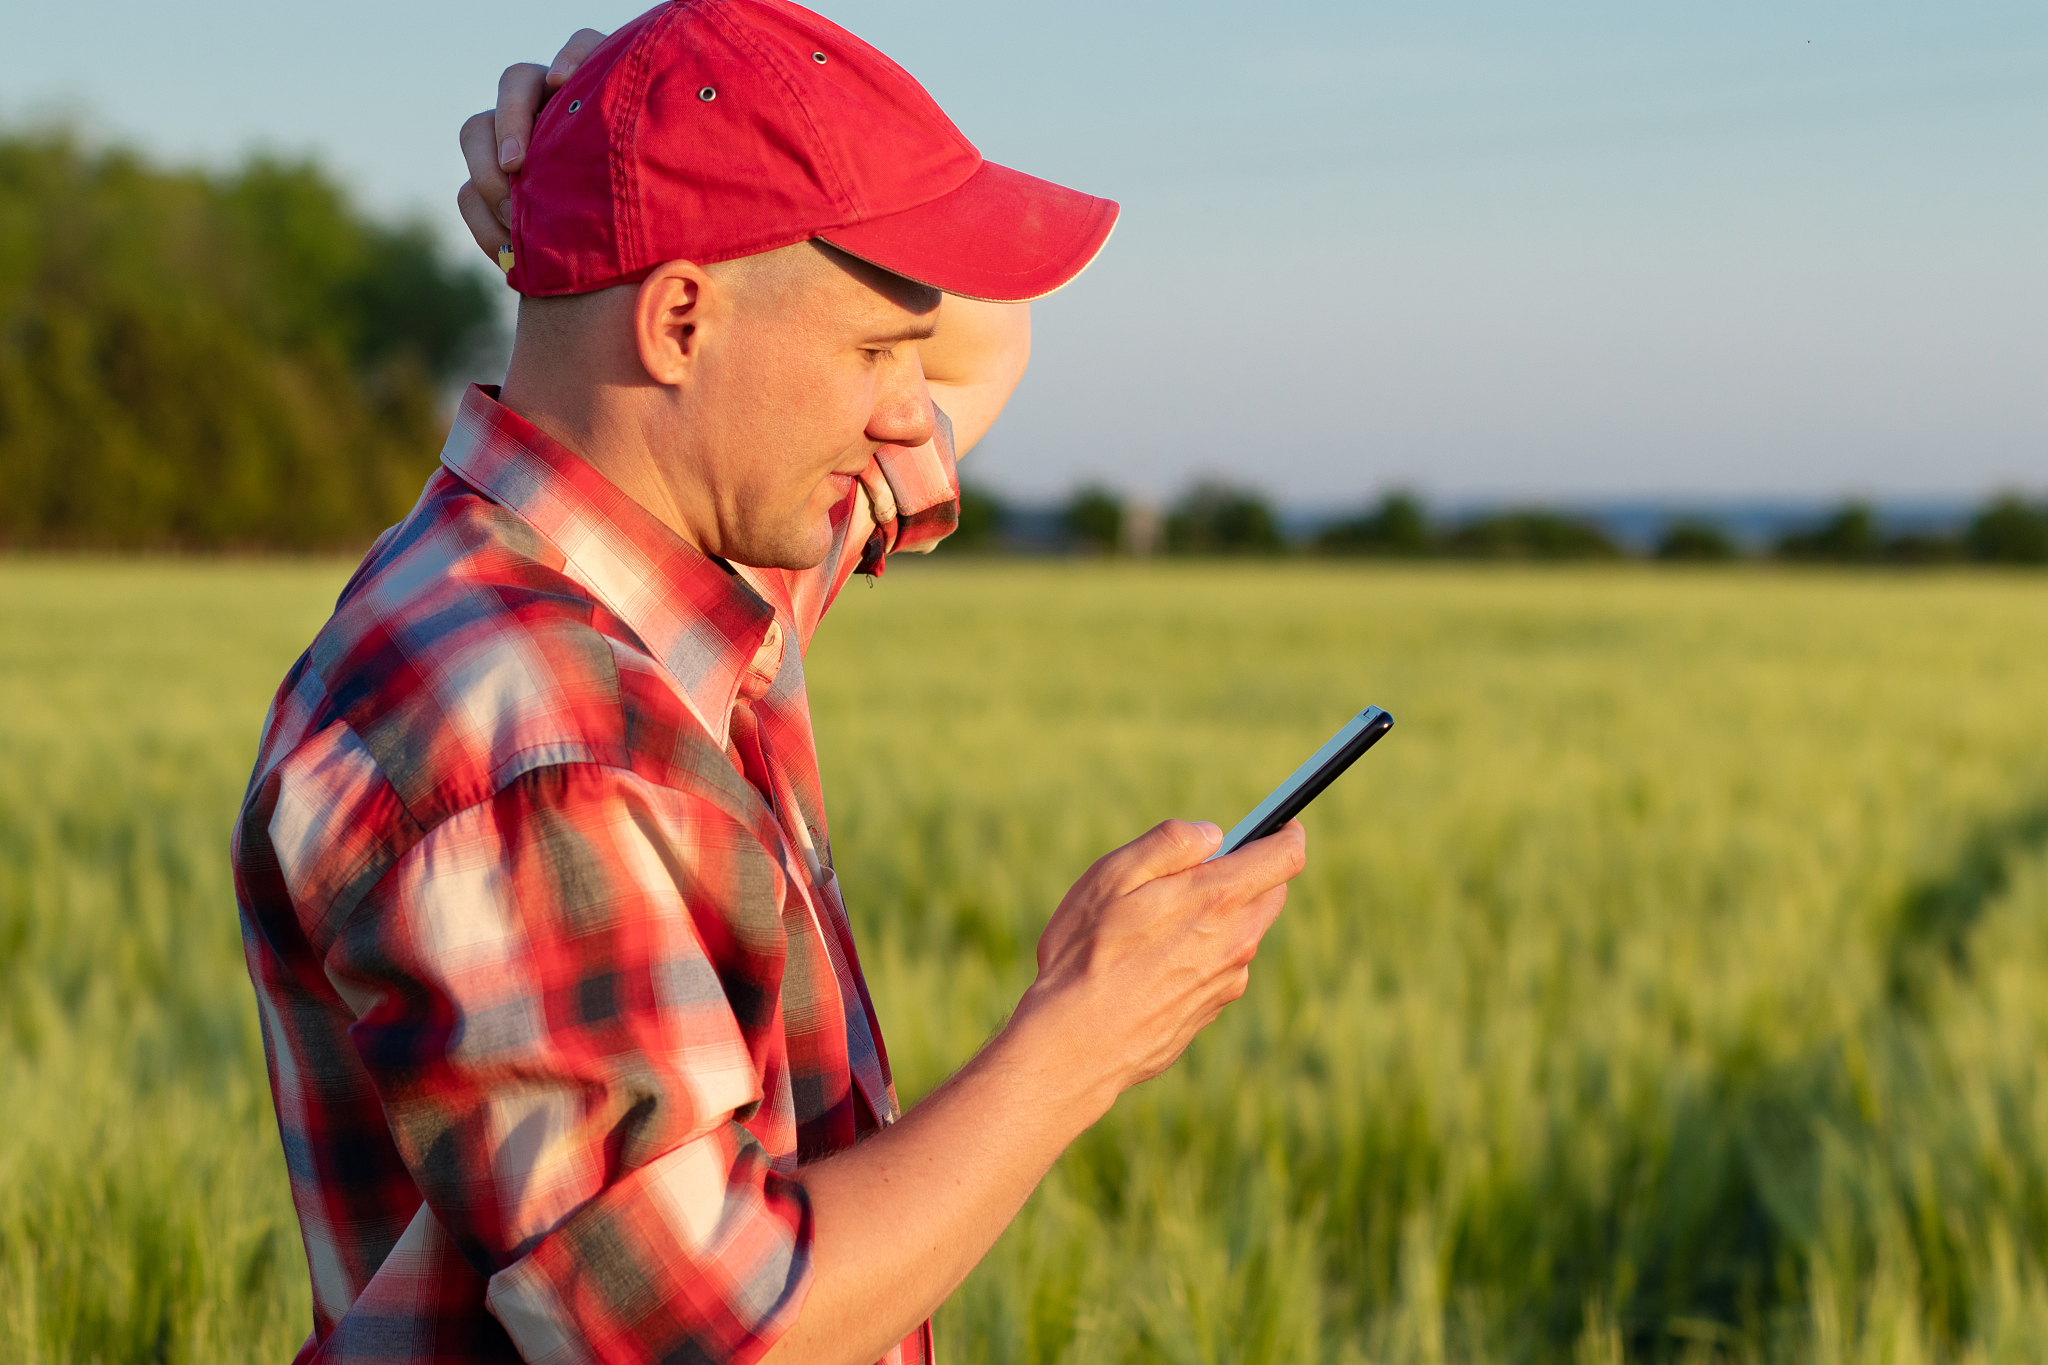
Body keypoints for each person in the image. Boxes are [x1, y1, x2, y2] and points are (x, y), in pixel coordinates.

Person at [234, 3, 1307, 1362]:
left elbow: (990, 336)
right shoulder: (531, 740)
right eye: (874, 354)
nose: (916, 409)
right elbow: (715, 1337)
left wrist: (601, 149)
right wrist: (1078, 1039)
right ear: (681, 318)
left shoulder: (674, 587)